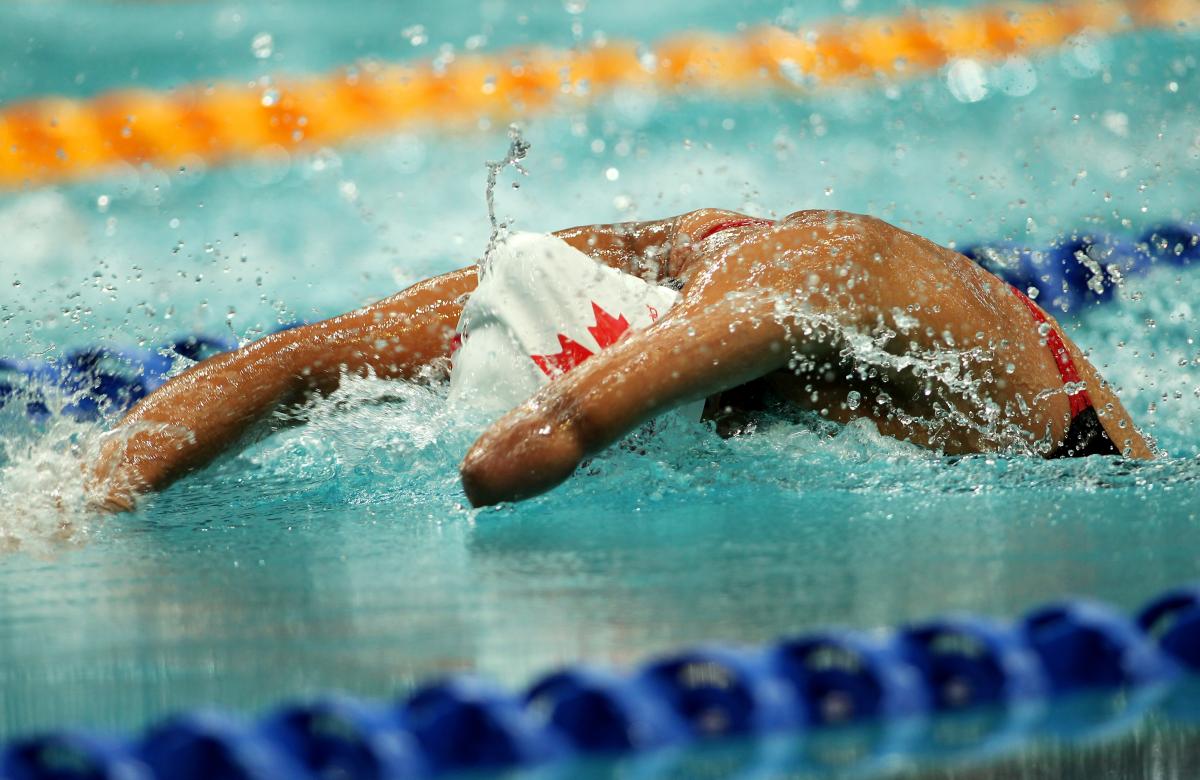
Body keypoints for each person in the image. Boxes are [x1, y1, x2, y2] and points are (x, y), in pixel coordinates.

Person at [89, 208, 1153, 512]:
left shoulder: (785, 293)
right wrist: (77, 500)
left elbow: (541, 441)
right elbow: (304, 359)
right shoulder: (642, 255)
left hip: (1085, 476)